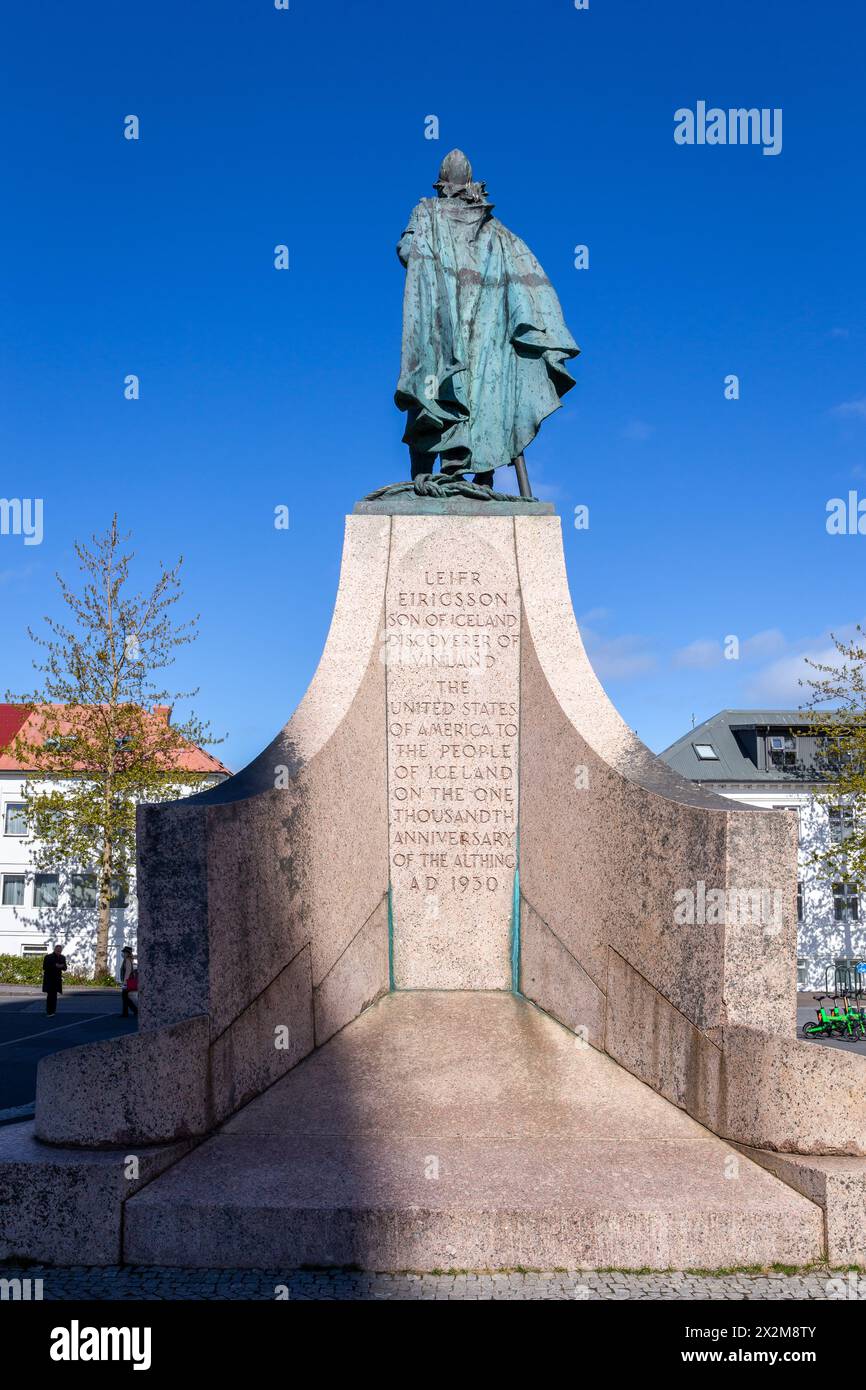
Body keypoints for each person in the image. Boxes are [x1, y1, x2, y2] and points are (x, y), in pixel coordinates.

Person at [42, 943, 67, 1017]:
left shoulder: (62, 957)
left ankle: (53, 1011)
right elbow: (44, 967)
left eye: (60, 951)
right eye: (58, 950)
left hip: (57, 979)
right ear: (55, 950)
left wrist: (61, 966)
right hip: (49, 979)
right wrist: (55, 966)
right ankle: (49, 1012)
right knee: (50, 996)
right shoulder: (48, 957)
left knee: (55, 996)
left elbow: (65, 968)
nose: (59, 952)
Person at [118, 945, 138, 1017]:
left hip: (127, 981)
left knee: (125, 997)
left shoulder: (127, 960)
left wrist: (125, 982)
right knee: (125, 997)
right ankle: (126, 1013)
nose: (123, 953)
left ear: (127, 953)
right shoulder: (128, 960)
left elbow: (128, 971)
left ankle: (135, 1011)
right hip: (128, 981)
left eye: (124, 952)